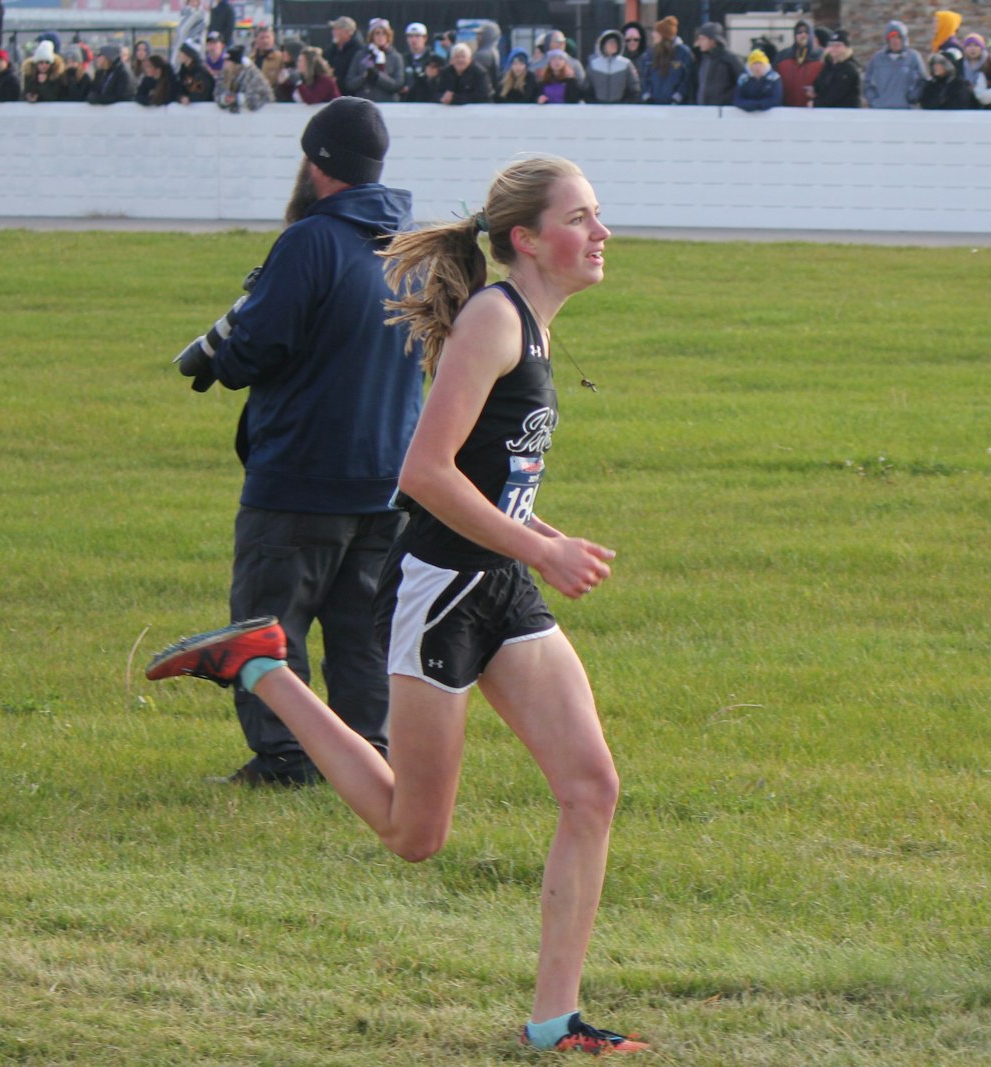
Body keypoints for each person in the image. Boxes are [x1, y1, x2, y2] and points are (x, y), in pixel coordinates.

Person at [147, 151, 646, 1058]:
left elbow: (494, 482)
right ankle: (262, 664)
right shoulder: (496, 320)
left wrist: (536, 539)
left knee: (590, 785)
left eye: (597, 214)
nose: (600, 232)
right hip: (441, 592)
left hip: (498, 583)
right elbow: (422, 473)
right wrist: (543, 546)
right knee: (414, 834)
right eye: (580, 218)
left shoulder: (530, 324)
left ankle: (555, 1022)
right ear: (526, 239)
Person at [165, 98, 423, 788]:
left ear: (316, 163)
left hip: (302, 474)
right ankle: (369, 754)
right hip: (389, 477)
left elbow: (255, 347)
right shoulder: (410, 246)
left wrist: (217, 360)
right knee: (362, 633)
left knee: (267, 626)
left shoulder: (311, 240)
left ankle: (286, 759)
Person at [863, 20, 925, 109]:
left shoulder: (913, 58)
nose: (895, 41)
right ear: (887, 39)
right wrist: (874, 101)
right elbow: (867, 82)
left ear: (904, 39)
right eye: (892, 37)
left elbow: (922, 81)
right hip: (881, 111)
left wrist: (913, 98)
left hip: (906, 112)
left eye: (899, 37)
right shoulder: (877, 59)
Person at [639, 16, 691, 105]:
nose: (653, 35)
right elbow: (644, 78)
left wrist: (677, 98)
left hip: (677, 108)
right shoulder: (649, 55)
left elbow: (687, 79)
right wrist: (647, 97)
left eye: (656, 32)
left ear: (663, 35)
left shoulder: (683, 53)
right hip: (652, 107)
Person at [691, 21, 742, 106]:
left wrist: (726, 99)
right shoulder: (702, 60)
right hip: (702, 110)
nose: (699, 42)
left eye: (703, 39)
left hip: (724, 112)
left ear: (713, 40)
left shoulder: (730, 59)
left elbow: (742, 83)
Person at [774, 18, 821, 107]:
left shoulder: (821, 56)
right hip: (787, 110)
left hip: (814, 110)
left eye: (806, 32)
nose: (803, 35)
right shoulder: (782, 56)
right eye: (799, 32)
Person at [355, 19, 403, 102]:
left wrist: (378, 77)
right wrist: (364, 76)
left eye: (384, 33)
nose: (381, 36)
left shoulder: (396, 57)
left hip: (388, 104)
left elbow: (398, 85)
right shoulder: (361, 55)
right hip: (365, 102)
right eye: (377, 33)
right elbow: (350, 83)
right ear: (371, 36)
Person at [585, 28, 638, 104]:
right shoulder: (593, 65)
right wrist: (593, 104)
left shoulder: (626, 64)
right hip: (598, 108)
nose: (614, 45)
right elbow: (587, 88)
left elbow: (634, 87)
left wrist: (625, 104)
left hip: (620, 108)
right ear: (603, 45)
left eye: (616, 43)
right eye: (610, 42)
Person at [811, 29, 861, 108]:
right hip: (828, 112)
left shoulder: (849, 68)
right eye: (831, 45)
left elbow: (836, 93)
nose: (834, 48)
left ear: (846, 47)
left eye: (838, 45)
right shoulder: (828, 65)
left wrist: (816, 104)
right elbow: (819, 84)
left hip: (845, 112)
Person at [215, 42, 271, 110]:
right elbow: (217, 93)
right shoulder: (224, 73)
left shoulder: (252, 75)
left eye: (227, 61)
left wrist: (238, 99)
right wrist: (224, 99)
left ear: (235, 63)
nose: (224, 64)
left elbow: (262, 96)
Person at [400, 21, 431, 100]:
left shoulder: (432, 58)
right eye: (410, 36)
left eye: (417, 36)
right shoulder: (402, 59)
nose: (413, 40)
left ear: (425, 38)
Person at [172, 0, 206, 64]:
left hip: (192, 47)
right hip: (183, 47)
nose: (194, 2)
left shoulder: (198, 14)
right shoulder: (184, 13)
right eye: (192, 1)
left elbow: (182, 30)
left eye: (195, 1)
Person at [471, 20, 500, 86]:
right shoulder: (493, 51)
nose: (476, 37)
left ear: (487, 35)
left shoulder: (482, 55)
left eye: (480, 34)